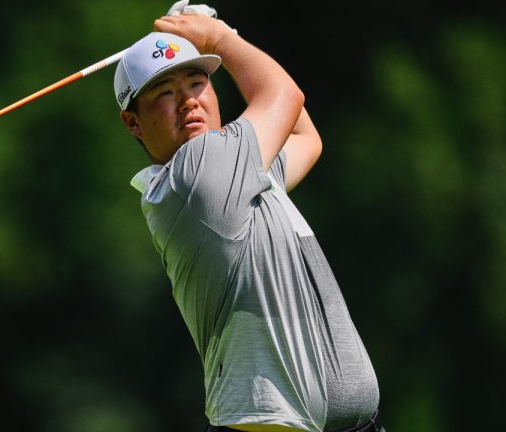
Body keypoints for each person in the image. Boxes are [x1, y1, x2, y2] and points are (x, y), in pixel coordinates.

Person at [113, 4, 384, 432]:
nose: (188, 101)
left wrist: (223, 35)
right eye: (164, 92)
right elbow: (286, 97)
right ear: (133, 122)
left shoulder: (235, 175)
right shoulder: (198, 171)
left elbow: (303, 137)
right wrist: (221, 38)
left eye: (197, 82)